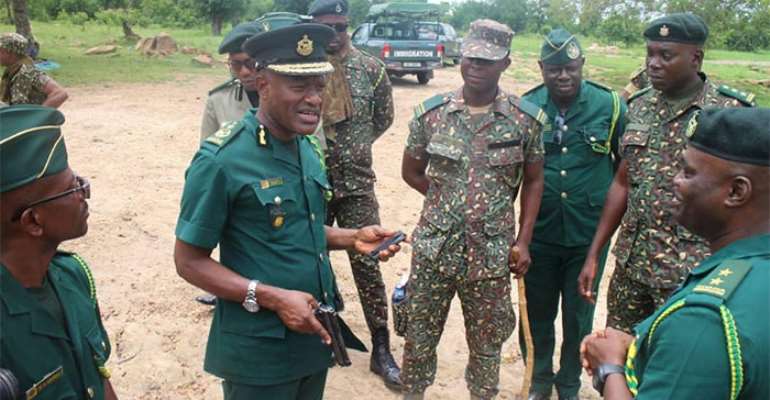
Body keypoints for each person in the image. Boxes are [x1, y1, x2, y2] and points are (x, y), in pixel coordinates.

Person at [173, 23, 403, 400]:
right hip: (259, 352)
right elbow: (188, 261)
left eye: (319, 85)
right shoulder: (222, 160)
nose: (314, 98)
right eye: (299, 86)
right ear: (263, 85)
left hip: (314, 336)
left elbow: (297, 227)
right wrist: (272, 297)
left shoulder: (307, 148)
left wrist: (351, 238)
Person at [578, 13, 756, 334]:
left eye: (666, 55)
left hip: (690, 272)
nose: (653, 64)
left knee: (673, 366)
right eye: (650, 54)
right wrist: (594, 253)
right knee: (617, 356)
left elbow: (749, 201)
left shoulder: (729, 114)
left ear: (695, 58)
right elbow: (622, 182)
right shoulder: (639, 106)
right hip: (631, 267)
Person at [581, 107, 770, 400]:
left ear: (736, 192)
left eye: (688, 171)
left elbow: (703, 344)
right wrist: (649, 349)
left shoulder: (704, 320)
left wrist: (609, 368)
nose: (675, 181)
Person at [400, 19, 545, 400]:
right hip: (435, 250)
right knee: (418, 338)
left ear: (505, 64)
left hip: (492, 255)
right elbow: (411, 172)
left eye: (486, 60)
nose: (475, 67)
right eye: (470, 58)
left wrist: (524, 240)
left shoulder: (523, 120)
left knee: (487, 344)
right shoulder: (431, 115)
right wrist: (446, 201)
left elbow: (533, 180)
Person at [520, 29, 626, 400]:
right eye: (553, 69)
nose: (562, 76)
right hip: (541, 233)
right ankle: (538, 380)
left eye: (569, 68)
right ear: (541, 69)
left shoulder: (611, 106)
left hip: (587, 235)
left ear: (581, 65)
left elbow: (623, 171)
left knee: (578, 316)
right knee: (536, 313)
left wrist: (598, 249)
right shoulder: (527, 107)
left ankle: (568, 385)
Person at [308, 0, 399, 389]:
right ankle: (317, 335)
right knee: (308, 255)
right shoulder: (303, 69)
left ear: (350, 27)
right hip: (311, 179)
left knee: (369, 262)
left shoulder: (371, 69)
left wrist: (354, 146)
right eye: (326, 28)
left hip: (357, 181)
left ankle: (381, 348)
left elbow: (384, 118)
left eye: (340, 27)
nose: (334, 35)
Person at [0, 105, 117, 399]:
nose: (84, 192)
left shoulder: (72, 276)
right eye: (71, 189)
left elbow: (98, 376)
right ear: (33, 221)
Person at [0, 33, 68, 107]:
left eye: (1, 51)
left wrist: (38, 116)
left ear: (11, 53)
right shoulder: (12, 71)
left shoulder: (28, 72)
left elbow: (60, 93)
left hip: (23, 117)